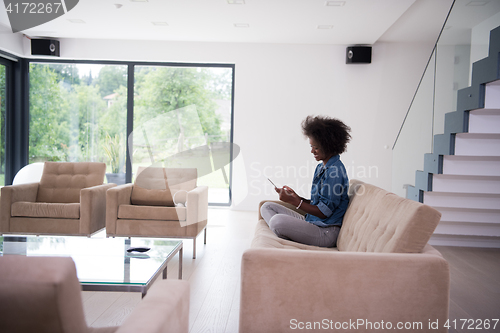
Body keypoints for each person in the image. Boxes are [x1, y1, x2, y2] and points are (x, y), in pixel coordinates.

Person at [260, 115, 351, 248]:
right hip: (313, 222)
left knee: (276, 221)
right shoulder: (322, 167)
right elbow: (319, 204)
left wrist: (293, 201)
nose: (312, 151)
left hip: (325, 231)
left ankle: (286, 233)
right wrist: (297, 197)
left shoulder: (335, 172)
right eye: (311, 146)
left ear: (329, 146)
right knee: (267, 207)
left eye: (316, 147)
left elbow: (324, 212)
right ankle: (289, 233)